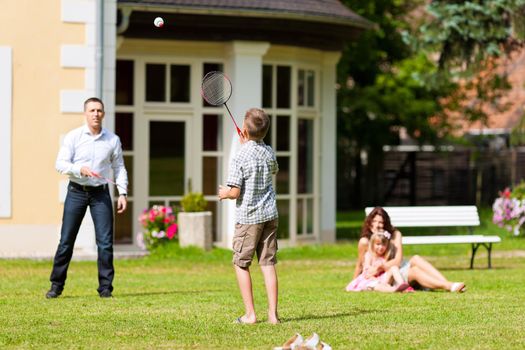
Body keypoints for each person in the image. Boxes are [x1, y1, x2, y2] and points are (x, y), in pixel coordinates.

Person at [46, 97, 128, 299]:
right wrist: (79, 169)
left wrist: (122, 193)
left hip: (101, 194)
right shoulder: (73, 137)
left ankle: (106, 288)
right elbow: (60, 164)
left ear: (103, 114)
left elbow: (119, 168)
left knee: (105, 243)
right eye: (92, 110)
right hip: (76, 192)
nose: (96, 114)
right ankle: (56, 286)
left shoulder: (112, 140)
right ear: (85, 113)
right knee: (66, 241)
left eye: (99, 110)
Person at [218, 108, 280, 324]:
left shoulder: (240, 156)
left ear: (244, 129)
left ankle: (251, 315)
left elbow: (235, 192)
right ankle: (273, 314)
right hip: (270, 215)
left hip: (249, 218)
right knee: (268, 263)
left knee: (241, 263)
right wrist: (254, 144)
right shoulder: (269, 152)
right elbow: (274, 169)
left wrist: (224, 193)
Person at [354, 207, 466, 292]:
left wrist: (380, 267)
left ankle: (447, 283)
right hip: (390, 275)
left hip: (398, 266)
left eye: (381, 222)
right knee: (415, 271)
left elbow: (398, 261)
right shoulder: (365, 241)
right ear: (369, 223)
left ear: (386, 223)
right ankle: (449, 286)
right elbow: (359, 264)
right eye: (374, 221)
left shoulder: (395, 235)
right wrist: (354, 282)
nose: (377, 225)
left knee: (416, 258)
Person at [346, 230, 410, 292]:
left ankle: (402, 284)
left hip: (383, 278)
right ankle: (393, 289)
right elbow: (366, 270)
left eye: (383, 245)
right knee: (376, 286)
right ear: (373, 244)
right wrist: (376, 271)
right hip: (371, 280)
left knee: (394, 268)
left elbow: (387, 269)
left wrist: (383, 267)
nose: (381, 247)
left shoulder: (385, 256)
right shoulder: (369, 255)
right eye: (378, 244)